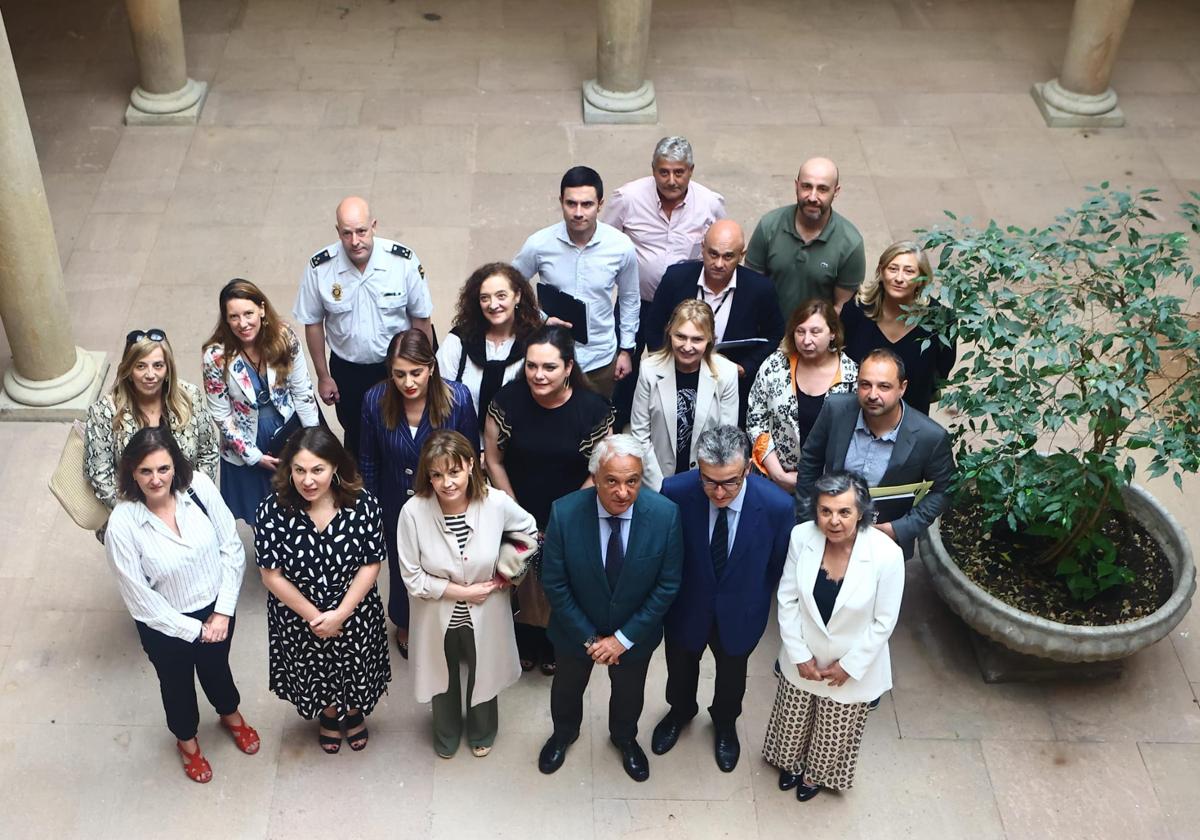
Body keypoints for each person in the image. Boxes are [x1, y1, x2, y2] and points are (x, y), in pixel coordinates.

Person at [104, 427, 257, 784]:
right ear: (131, 472)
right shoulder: (123, 525)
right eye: (145, 471)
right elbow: (139, 598)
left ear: (176, 465)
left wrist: (222, 612)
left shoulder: (199, 488)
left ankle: (229, 714)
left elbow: (231, 548)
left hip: (216, 610)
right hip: (165, 625)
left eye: (163, 468)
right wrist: (194, 630)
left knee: (217, 668)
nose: (156, 479)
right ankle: (187, 742)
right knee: (176, 684)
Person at [536, 435, 683, 782]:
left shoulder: (665, 515)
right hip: (575, 633)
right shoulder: (564, 512)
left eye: (632, 481)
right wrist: (589, 639)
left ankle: (624, 738)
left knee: (630, 695)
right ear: (595, 477)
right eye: (612, 481)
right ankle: (564, 733)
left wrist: (623, 639)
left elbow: (667, 585)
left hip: (634, 636)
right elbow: (554, 583)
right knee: (567, 689)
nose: (622, 492)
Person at [655, 426, 793, 772]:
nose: (718, 492)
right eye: (708, 481)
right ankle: (680, 711)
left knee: (733, 676)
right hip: (687, 607)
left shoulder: (777, 507)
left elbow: (776, 566)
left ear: (748, 468)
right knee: (681, 668)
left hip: (741, 610)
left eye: (730, 482)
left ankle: (725, 724)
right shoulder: (674, 492)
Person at [397, 430, 539, 758]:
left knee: (484, 672)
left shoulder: (495, 502)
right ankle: (445, 732)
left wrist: (506, 572)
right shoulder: (413, 512)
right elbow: (412, 576)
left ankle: (482, 730)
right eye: (437, 474)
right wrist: (463, 591)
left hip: (487, 610)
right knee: (441, 677)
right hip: (436, 615)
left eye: (454, 471)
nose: (447, 483)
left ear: (471, 465)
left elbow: (529, 530)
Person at [765, 471, 904, 801]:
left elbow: (884, 622)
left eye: (844, 512)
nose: (834, 521)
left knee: (834, 728)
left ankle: (814, 777)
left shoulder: (887, 555)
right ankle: (791, 765)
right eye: (825, 511)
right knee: (792, 716)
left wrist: (850, 666)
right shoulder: (801, 537)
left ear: (862, 512)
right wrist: (798, 653)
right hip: (804, 655)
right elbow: (787, 597)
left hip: (851, 665)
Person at [484, 325, 614, 675]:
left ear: (569, 367)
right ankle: (526, 637)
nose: (538, 375)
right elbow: (493, 460)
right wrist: (517, 514)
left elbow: (602, 469)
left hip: (573, 511)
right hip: (516, 508)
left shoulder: (592, 409)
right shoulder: (507, 402)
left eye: (549, 367)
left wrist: (565, 515)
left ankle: (557, 640)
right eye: (531, 366)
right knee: (522, 581)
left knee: (562, 580)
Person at [255, 426, 391, 754]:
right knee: (314, 669)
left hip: (354, 610)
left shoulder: (363, 505)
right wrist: (318, 618)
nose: (308, 481)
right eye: (299, 470)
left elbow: (371, 563)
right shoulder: (272, 511)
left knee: (357, 665)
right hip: (300, 614)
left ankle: (355, 712)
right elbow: (271, 576)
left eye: (318, 470)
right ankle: (329, 714)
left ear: (335, 468)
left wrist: (341, 613)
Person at [359, 329, 478, 658]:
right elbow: (368, 461)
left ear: (431, 367)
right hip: (396, 501)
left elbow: (471, 456)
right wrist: (370, 511)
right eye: (399, 374)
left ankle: (449, 623)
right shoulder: (375, 400)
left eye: (416, 372)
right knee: (402, 568)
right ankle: (405, 621)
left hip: (446, 500)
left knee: (447, 564)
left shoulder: (458, 398)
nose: (408, 382)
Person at [293, 196, 434, 456]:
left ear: (374, 226)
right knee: (357, 438)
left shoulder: (402, 262)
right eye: (347, 234)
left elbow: (421, 320)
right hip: (349, 371)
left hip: (395, 368)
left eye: (361, 231)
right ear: (338, 232)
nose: (355, 241)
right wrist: (324, 376)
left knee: (405, 433)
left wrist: (426, 372)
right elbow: (313, 323)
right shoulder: (320, 267)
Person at [603, 136, 727, 428]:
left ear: (691, 170)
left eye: (679, 172)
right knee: (624, 368)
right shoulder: (628, 198)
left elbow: (723, 241)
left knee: (678, 365)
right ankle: (619, 425)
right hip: (637, 302)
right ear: (653, 169)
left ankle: (670, 423)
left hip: (685, 308)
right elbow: (605, 241)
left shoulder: (710, 203)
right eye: (664, 172)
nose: (671, 180)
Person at [795, 348, 954, 559]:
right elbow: (810, 462)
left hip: (884, 545)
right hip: (827, 533)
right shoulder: (835, 409)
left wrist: (899, 528)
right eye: (865, 385)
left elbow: (944, 489)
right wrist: (810, 520)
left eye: (884, 387)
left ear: (902, 388)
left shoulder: (930, 437)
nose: (872, 394)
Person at [512, 166, 639, 399]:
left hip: (600, 358)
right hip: (552, 356)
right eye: (571, 203)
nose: (578, 212)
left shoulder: (620, 246)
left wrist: (626, 350)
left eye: (587, 204)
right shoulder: (539, 244)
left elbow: (630, 298)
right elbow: (510, 287)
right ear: (561, 201)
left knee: (596, 426)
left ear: (600, 204)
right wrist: (541, 319)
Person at [202, 279, 321, 525]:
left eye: (248, 313)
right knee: (263, 517)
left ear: (262, 310)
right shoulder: (215, 357)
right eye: (234, 317)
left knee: (301, 503)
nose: (242, 323)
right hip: (245, 440)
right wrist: (253, 456)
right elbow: (221, 414)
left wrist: (313, 439)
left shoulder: (284, 338)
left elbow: (302, 391)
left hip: (287, 430)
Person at [646, 220, 784, 423]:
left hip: (729, 385)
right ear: (702, 248)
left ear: (741, 255)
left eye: (728, 256)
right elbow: (653, 326)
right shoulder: (675, 278)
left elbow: (774, 334)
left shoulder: (760, 289)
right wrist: (666, 363)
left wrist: (746, 367)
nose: (719, 263)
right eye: (713, 254)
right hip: (675, 376)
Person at [85, 329, 219, 517]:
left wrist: (192, 500)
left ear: (168, 369)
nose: (150, 374)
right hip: (135, 514)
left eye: (158, 366)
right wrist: (142, 513)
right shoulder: (104, 412)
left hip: (189, 507)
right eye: (140, 366)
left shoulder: (190, 397)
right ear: (128, 370)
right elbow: (99, 475)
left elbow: (208, 451)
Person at [746, 299, 859, 495]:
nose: (806, 340)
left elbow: (855, 436)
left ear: (832, 333)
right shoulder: (775, 365)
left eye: (815, 332)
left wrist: (816, 479)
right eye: (800, 331)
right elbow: (756, 421)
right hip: (773, 481)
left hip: (830, 488)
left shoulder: (852, 377)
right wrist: (778, 474)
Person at [631, 299, 738, 490]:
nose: (687, 347)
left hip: (705, 483)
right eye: (680, 336)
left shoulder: (727, 373)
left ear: (709, 339)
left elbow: (725, 438)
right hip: (656, 479)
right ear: (669, 332)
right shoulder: (649, 369)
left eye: (697, 339)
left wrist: (704, 484)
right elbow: (640, 435)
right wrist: (661, 487)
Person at [840, 241, 957, 415]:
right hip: (855, 414)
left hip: (911, 420)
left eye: (909, 271)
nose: (899, 278)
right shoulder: (856, 309)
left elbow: (940, 374)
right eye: (893, 269)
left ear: (922, 280)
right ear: (881, 271)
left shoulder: (940, 320)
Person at [746, 157, 866, 320]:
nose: (812, 197)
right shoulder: (769, 226)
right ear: (796, 186)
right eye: (806, 186)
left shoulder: (850, 242)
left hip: (815, 339)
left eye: (822, 189)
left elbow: (841, 308)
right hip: (769, 331)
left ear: (836, 192)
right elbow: (751, 287)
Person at [436, 262, 542, 425]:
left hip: (520, 444)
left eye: (501, 296)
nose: (493, 305)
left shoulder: (536, 342)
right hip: (463, 443)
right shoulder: (460, 340)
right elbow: (439, 395)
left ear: (517, 296)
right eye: (485, 298)